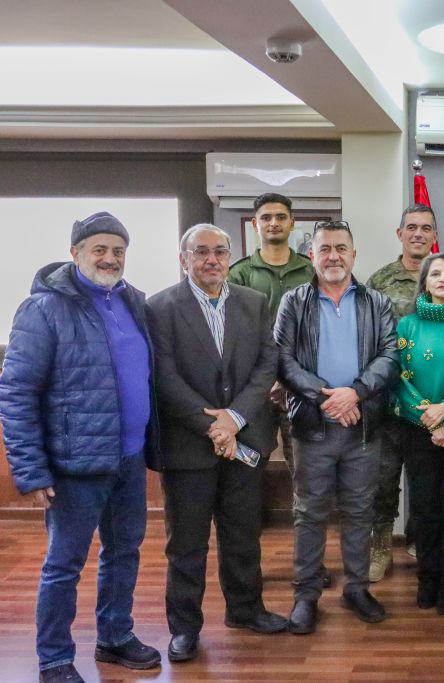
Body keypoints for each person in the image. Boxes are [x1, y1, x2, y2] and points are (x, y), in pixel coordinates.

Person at [0, 213, 161, 683]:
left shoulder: (133, 301)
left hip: (129, 459)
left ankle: (114, 637)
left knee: (124, 552)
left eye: (118, 250)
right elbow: (16, 392)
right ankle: (53, 657)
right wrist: (30, 471)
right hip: (75, 466)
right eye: (99, 249)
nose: (110, 258)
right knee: (64, 564)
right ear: (75, 253)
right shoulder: (43, 308)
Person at [147, 224, 287, 664]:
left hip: (245, 438)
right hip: (189, 445)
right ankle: (185, 628)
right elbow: (164, 376)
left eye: (220, 252)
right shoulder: (160, 307)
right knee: (186, 543)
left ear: (230, 257)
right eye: (201, 252)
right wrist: (212, 426)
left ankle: (246, 610)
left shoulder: (255, 303)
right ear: (183, 259)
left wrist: (235, 418)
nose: (211, 259)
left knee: (243, 534)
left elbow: (267, 365)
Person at [275, 220, 398, 633]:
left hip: (364, 426)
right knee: (309, 513)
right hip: (314, 425)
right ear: (312, 255)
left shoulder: (377, 302)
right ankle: (306, 595)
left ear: (353, 254)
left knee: (360, 511)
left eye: (341, 248)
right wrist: (327, 396)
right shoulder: (294, 301)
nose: (333, 256)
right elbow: (283, 359)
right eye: (325, 248)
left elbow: (389, 357)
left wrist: (356, 393)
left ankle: (357, 588)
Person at [393, 253, 444, 615]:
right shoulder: (406, 326)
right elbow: (398, 378)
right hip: (418, 430)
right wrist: (431, 418)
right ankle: (427, 580)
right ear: (424, 281)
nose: (442, 279)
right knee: (425, 510)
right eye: (435, 274)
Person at [366, 203, 438, 581]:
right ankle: (380, 547)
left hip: (435, 400)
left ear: (433, 235)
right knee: (383, 478)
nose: (418, 234)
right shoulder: (379, 281)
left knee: (427, 481)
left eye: (426, 228)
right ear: (400, 234)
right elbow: (370, 340)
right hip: (390, 399)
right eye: (412, 227)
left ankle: (421, 542)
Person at [228, 193, 315, 473]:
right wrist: (266, 381)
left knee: (303, 468)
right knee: (248, 467)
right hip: (255, 389)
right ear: (255, 224)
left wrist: (290, 379)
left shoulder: (312, 272)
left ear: (293, 222)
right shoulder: (239, 275)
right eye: (266, 217)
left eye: (280, 217)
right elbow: (234, 337)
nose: (273, 223)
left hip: (301, 386)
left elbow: (320, 331)